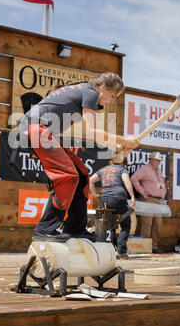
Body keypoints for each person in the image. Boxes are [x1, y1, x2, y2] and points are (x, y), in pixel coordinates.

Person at [13, 72, 139, 243]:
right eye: (113, 95)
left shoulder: (85, 92)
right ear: (103, 87)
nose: (113, 100)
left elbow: (97, 136)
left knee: (81, 176)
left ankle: (75, 229)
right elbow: (93, 133)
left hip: (39, 131)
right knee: (67, 177)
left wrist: (118, 147)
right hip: (34, 129)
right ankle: (45, 229)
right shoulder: (90, 92)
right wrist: (124, 139)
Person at [89, 153, 136, 259]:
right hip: (119, 198)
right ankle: (121, 251)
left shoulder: (104, 169)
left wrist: (95, 194)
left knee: (110, 224)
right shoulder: (122, 169)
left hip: (105, 199)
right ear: (122, 163)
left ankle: (109, 250)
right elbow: (127, 181)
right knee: (126, 224)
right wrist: (132, 196)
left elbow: (90, 180)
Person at [130, 151, 166, 254]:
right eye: (156, 160)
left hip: (158, 201)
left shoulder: (159, 171)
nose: (158, 162)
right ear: (150, 160)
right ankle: (144, 248)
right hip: (148, 199)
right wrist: (142, 192)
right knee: (147, 224)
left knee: (157, 225)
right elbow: (134, 178)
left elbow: (161, 184)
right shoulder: (145, 169)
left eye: (159, 160)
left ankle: (154, 247)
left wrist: (163, 194)